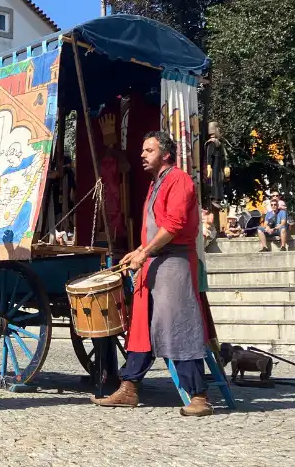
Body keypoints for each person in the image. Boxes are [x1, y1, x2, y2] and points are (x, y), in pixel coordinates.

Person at [92, 131, 214, 417]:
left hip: (175, 262)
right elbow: (156, 228)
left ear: (166, 154)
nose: (143, 155)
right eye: (143, 150)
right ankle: (129, 388)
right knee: (141, 326)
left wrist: (144, 253)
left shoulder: (179, 179)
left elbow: (174, 226)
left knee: (178, 325)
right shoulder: (155, 184)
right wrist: (138, 250)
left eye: (149, 150)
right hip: (154, 261)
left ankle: (199, 395)